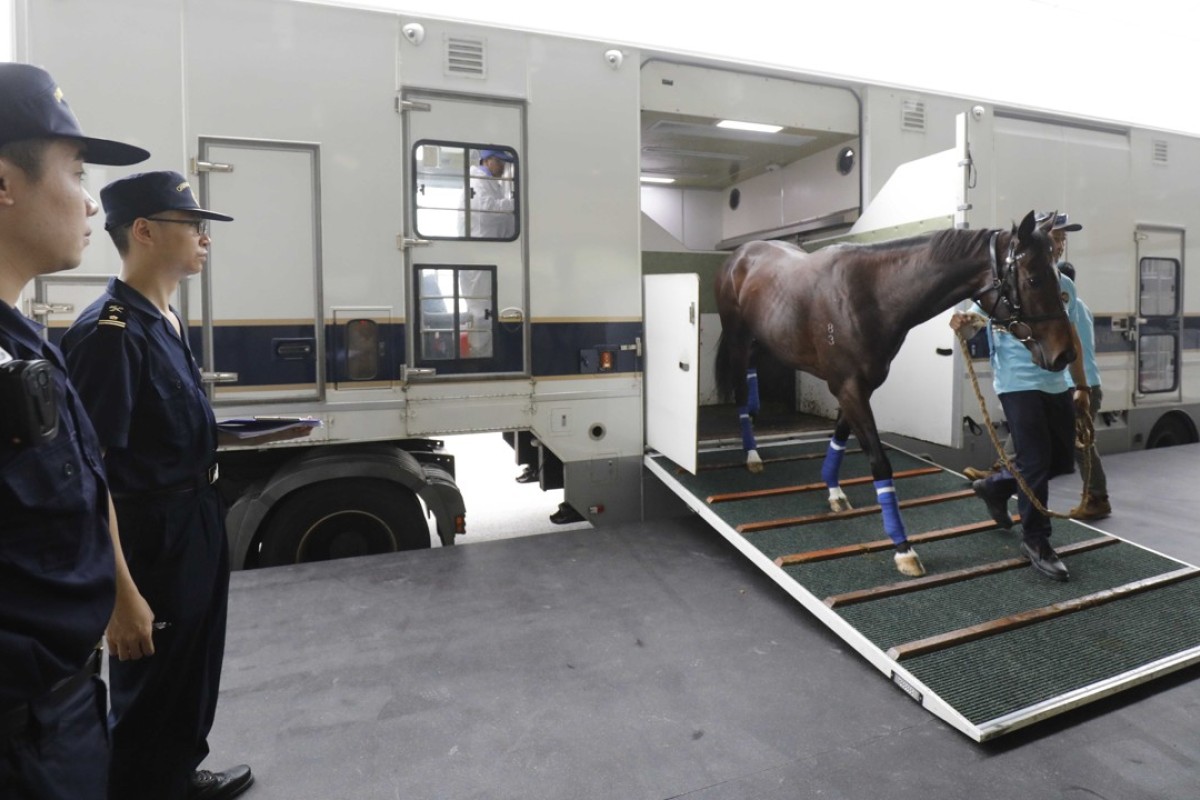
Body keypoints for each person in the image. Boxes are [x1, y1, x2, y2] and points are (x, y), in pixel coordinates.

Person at [60, 171, 257, 800]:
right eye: (193, 226)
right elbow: (92, 476)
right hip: (151, 532)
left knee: (190, 667)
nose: (205, 239)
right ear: (144, 231)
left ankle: (174, 776)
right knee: (149, 684)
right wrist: (120, 595)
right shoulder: (108, 333)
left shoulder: (163, 319)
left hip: (195, 513)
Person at [0, 62, 148, 799]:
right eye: (77, 173)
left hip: (60, 713)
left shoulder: (25, 342)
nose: (91, 204)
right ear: (4, 183)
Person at [950, 212, 1092, 581]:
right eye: (1055, 236)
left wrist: (1081, 385)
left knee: (1060, 461)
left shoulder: (1062, 284)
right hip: (1016, 383)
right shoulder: (1007, 282)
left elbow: (1070, 336)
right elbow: (969, 325)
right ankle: (1036, 540)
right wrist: (963, 327)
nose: (1059, 242)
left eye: (1063, 238)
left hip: (1056, 382)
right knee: (1035, 462)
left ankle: (994, 487)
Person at [1057, 258, 1111, 520]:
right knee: (1080, 442)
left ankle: (1097, 498)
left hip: (1079, 385)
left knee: (1082, 444)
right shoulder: (1082, 307)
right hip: (1086, 383)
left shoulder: (1068, 309)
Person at [469, 149, 516, 238]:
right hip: (483, 243)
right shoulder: (477, 182)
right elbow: (486, 212)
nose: (502, 166)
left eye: (504, 162)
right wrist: (516, 204)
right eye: (499, 161)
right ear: (486, 161)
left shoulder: (489, 183)